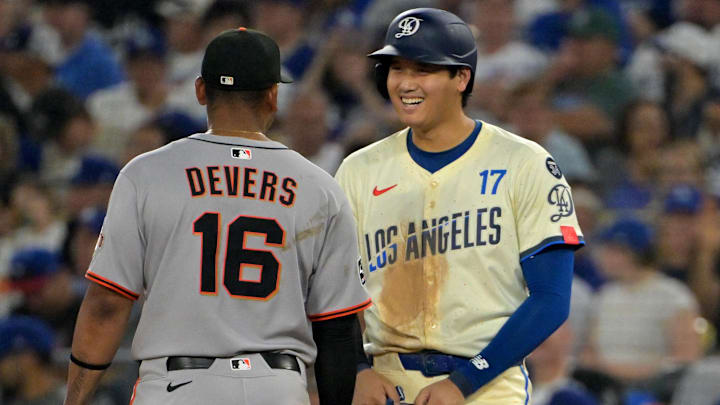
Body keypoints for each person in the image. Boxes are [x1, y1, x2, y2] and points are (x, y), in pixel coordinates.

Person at [64, 28, 371, 405]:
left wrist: (75, 400)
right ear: (272, 96)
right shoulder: (319, 186)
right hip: (276, 386)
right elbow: (337, 330)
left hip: (177, 387)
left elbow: (106, 305)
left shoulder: (145, 174)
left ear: (200, 91)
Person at [336, 8, 585, 405]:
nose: (405, 83)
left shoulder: (525, 162)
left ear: (462, 77)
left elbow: (551, 299)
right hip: (385, 384)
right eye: (396, 68)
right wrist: (358, 369)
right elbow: (336, 288)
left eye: (423, 70)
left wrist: (465, 381)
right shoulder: (359, 169)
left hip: (486, 380)